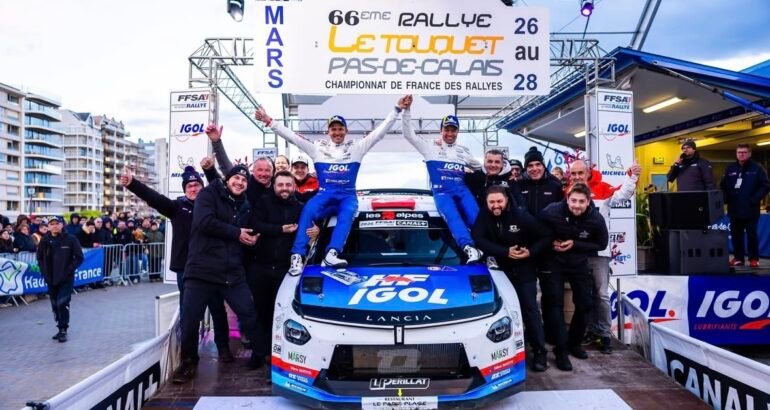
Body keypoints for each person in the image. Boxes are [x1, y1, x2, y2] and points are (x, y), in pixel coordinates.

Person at [254, 95, 407, 274]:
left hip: (347, 196)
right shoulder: (318, 148)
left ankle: (332, 253)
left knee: (348, 213)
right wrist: (268, 120)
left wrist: (397, 109)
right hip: (325, 195)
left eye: (340, 129)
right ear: (328, 132)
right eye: (333, 129)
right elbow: (292, 137)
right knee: (308, 210)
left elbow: (379, 132)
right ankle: (297, 256)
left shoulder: (357, 148)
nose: (337, 133)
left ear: (346, 131)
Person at [122, 166, 233, 359]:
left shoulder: (212, 206)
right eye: (189, 186)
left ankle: (223, 348)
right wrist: (133, 183)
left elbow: (225, 189)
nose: (194, 188)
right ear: (184, 189)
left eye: (197, 185)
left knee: (217, 309)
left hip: (212, 266)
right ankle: (188, 356)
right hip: (186, 269)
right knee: (189, 314)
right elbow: (154, 198)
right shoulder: (176, 207)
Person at [173, 164, 264, 384]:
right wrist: (236, 233)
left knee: (249, 314)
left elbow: (250, 231)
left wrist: (254, 239)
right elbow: (204, 222)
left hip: (231, 272)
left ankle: (263, 357)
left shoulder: (245, 205)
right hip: (201, 270)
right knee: (190, 320)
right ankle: (188, 362)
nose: (240, 182)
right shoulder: (207, 194)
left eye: (244, 180)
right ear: (227, 180)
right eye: (236, 178)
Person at [472, 185, 552, 372]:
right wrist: (504, 252)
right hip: (499, 270)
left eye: (499, 201)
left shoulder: (520, 215)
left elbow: (546, 235)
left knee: (530, 310)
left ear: (507, 200)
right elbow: (478, 238)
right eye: (492, 202)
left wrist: (530, 252)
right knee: (501, 312)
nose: (496, 205)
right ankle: (505, 352)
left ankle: (540, 352)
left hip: (524, 269)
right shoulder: (483, 215)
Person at [567, 159, 640, 354]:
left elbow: (623, 194)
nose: (577, 177)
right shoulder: (567, 191)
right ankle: (588, 330)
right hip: (577, 253)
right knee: (583, 295)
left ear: (588, 172)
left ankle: (605, 334)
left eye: (580, 173)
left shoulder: (602, 188)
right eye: (573, 173)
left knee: (601, 294)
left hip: (599, 253)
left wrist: (632, 176)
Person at [246, 171, 319, 358]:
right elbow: (255, 224)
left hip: (286, 270)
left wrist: (317, 230)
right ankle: (258, 353)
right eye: (280, 185)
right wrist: (279, 229)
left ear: (294, 186)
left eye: (288, 185)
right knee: (259, 312)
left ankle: (277, 355)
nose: (284, 188)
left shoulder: (301, 207)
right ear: (274, 186)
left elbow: (314, 225)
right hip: (261, 267)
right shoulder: (263, 202)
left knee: (282, 314)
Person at [401, 97, 483, 263]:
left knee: (477, 218)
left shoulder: (463, 151)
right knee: (453, 218)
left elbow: (482, 168)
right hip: (442, 193)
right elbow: (408, 134)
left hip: (462, 190)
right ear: (441, 130)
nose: (450, 134)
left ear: (457, 132)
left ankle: (486, 251)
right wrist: (406, 110)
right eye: (447, 129)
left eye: (453, 130)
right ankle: (469, 249)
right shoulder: (430, 147)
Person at [539, 183, 608, 370]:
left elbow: (601, 244)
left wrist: (575, 244)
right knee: (555, 303)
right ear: (567, 199)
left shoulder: (596, 218)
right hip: (554, 261)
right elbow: (536, 229)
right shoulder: (552, 211)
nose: (577, 205)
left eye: (581, 202)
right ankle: (560, 350)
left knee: (585, 304)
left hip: (578, 263)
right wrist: (550, 242)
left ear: (588, 201)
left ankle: (574, 343)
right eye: (574, 201)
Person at [720, 144, 770, 268]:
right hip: (734, 208)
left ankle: (754, 259)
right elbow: (723, 186)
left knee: (751, 234)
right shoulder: (730, 168)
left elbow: (765, 185)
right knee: (736, 235)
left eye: (744, 152)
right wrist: (725, 199)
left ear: (749, 154)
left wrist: (755, 199)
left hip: (751, 209)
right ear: (736, 154)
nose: (741, 154)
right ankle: (738, 258)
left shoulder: (757, 168)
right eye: (739, 152)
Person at [36, 217, 84, 343]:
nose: (55, 226)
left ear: (62, 225)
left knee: (62, 303)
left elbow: (79, 257)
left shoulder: (71, 239)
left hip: (65, 279)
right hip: (50, 278)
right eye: (52, 224)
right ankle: (59, 327)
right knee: (55, 304)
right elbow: (39, 258)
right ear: (49, 226)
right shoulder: (44, 240)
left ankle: (63, 330)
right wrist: (44, 272)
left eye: (57, 223)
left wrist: (69, 270)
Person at [205, 125, 275, 207]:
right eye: (260, 170)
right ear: (253, 171)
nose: (263, 174)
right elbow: (226, 166)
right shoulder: (245, 182)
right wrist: (216, 142)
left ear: (273, 172)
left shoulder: (279, 186)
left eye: (267, 170)